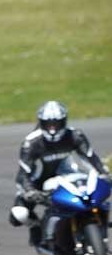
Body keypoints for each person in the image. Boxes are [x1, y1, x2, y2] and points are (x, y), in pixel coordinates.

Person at [9, 101, 109, 246]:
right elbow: (23, 173)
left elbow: (92, 159)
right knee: (18, 214)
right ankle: (35, 226)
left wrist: (104, 174)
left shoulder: (75, 135)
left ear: (64, 121)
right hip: (40, 183)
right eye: (48, 124)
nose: (52, 129)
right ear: (41, 123)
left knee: (99, 198)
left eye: (56, 124)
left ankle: (99, 230)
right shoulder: (31, 143)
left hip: (71, 177)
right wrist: (30, 191)